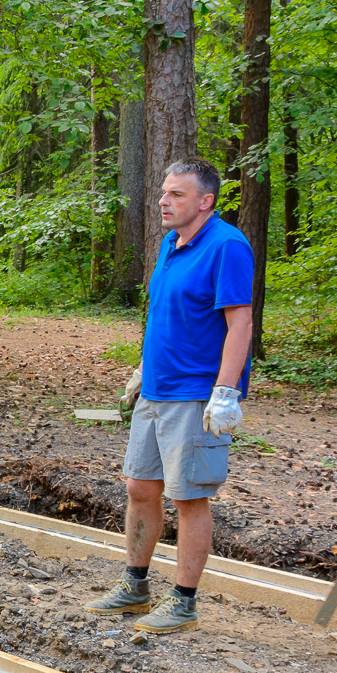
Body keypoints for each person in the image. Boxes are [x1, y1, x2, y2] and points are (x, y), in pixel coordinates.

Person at [89, 160, 254, 636]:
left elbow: (240, 324)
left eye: (177, 194)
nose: (164, 201)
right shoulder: (170, 244)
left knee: (188, 497)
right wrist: (144, 369)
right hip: (157, 389)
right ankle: (135, 585)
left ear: (206, 201)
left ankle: (183, 601)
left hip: (195, 393)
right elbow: (165, 314)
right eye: (164, 192)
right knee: (139, 488)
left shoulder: (227, 246)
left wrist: (226, 392)